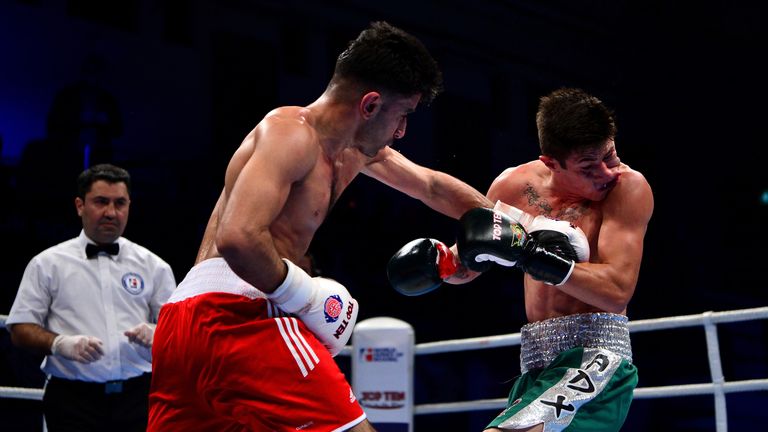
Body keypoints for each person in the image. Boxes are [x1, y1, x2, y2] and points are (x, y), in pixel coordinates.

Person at [147, 21, 493, 432]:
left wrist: (507, 230)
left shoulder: (355, 152)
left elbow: (431, 186)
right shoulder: (290, 134)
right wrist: (306, 296)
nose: (402, 131)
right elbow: (238, 237)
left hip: (181, 326)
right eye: (403, 115)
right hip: (237, 315)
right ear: (370, 105)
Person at [388, 87, 653, 431]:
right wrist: (442, 265)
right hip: (536, 362)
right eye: (589, 166)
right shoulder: (514, 186)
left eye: (611, 156)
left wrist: (532, 255)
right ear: (551, 162)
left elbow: (616, 291)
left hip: (597, 358)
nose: (606, 173)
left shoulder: (627, 189)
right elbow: (475, 262)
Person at [6, 163, 176, 432]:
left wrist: (159, 334)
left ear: (129, 205)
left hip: (138, 396)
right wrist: (60, 343)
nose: (111, 212)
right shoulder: (47, 264)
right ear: (79, 206)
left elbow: (180, 334)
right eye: (101, 202)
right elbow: (19, 328)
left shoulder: (155, 267)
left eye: (120, 203)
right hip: (72, 400)